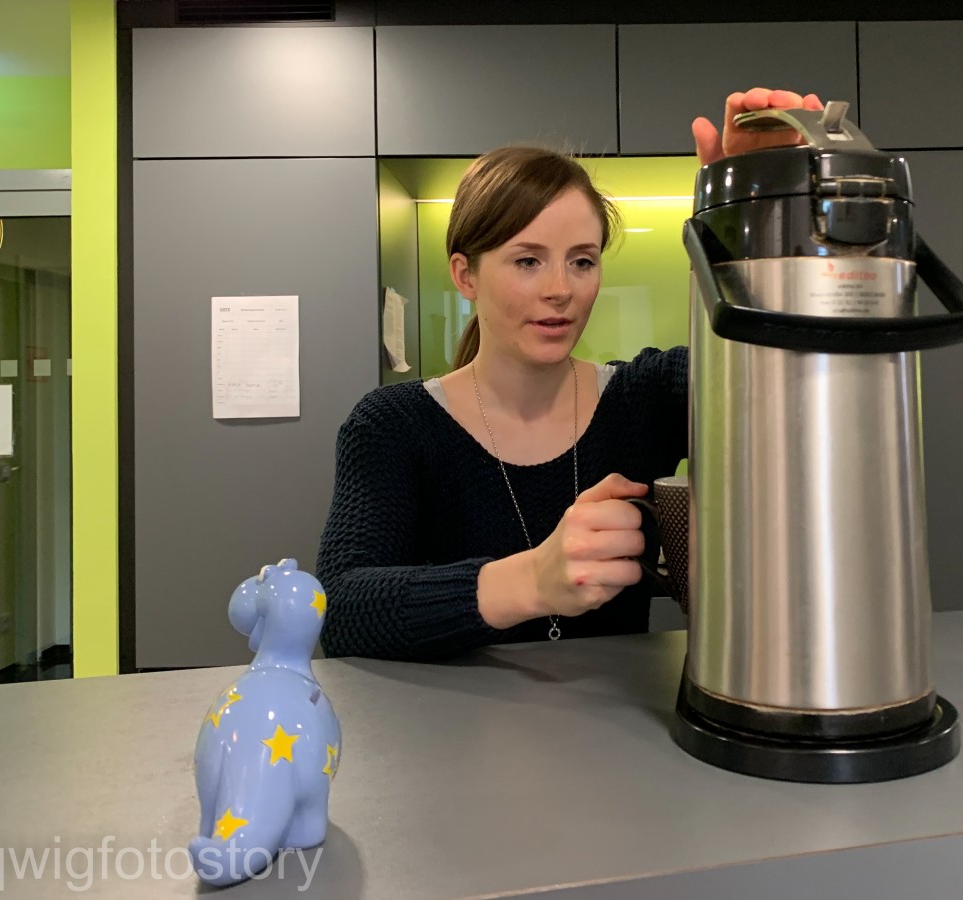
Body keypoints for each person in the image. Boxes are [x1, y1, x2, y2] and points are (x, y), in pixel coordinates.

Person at [316, 89, 823, 661]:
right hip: (446, 739)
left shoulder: (642, 398)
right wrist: (533, 580)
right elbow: (339, 610)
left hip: (617, 735)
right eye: (528, 260)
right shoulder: (393, 425)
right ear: (466, 275)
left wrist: (756, 218)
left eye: (582, 260)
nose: (561, 289)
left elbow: (776, 374)